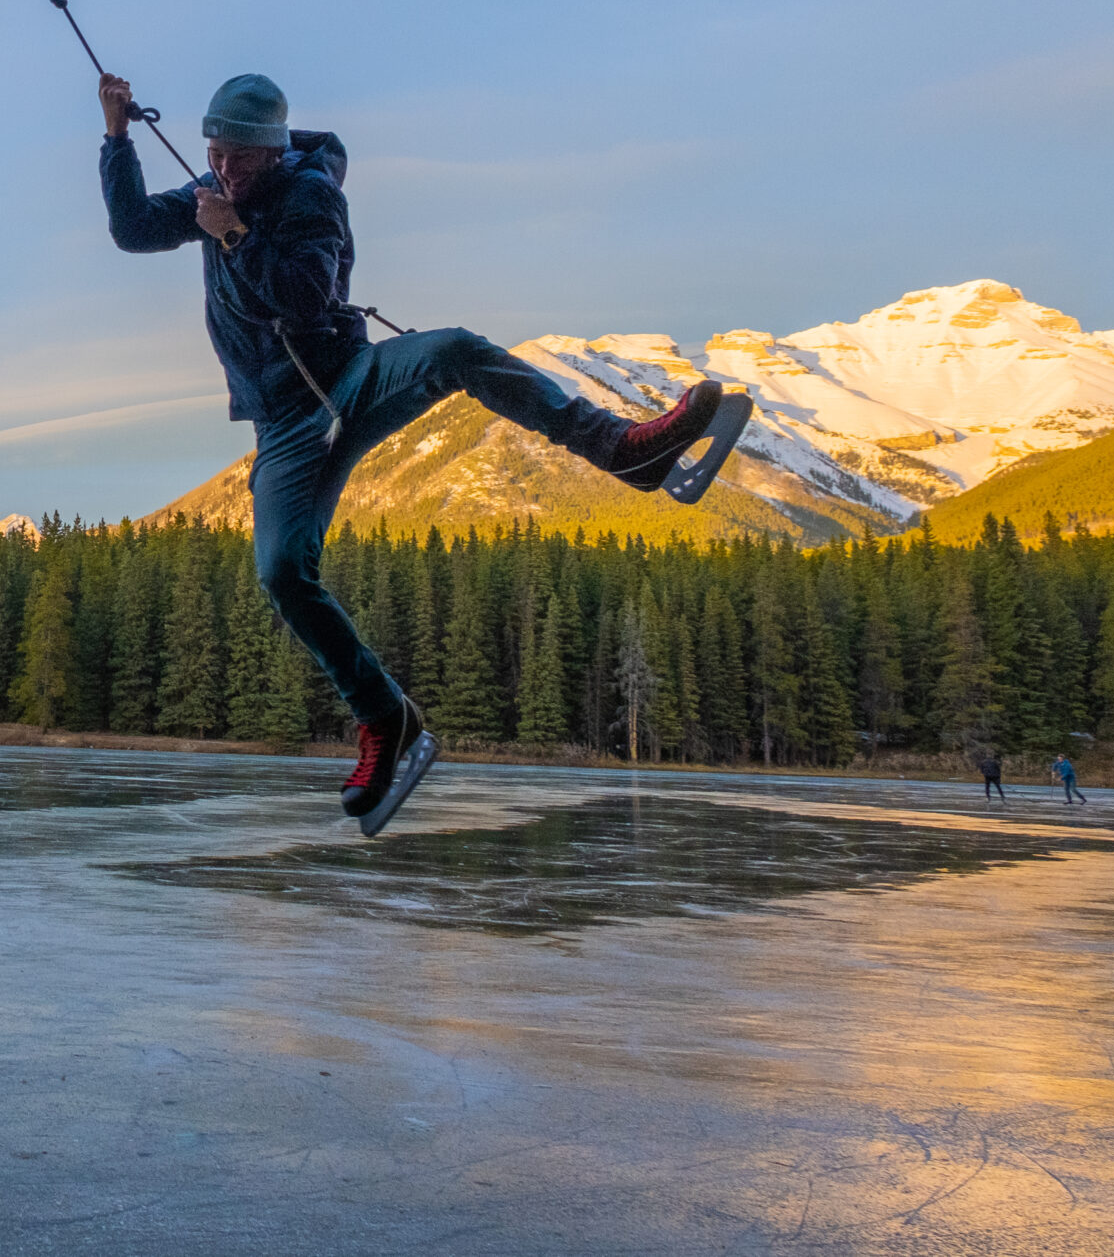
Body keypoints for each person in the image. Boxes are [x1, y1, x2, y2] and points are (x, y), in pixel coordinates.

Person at [99, 72, 736, 834]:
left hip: (352, 382)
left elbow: (304, 295)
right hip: (285, 427)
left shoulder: (310, 196)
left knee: (459, 350)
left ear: (270, 152)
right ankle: (385, 718)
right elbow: (133, 227)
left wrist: (233, 231)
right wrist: (116, 137)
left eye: (237, 156)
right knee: (279, 572)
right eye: (214, 154)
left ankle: (624, 451)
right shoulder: (215, 189)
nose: (222, 169)